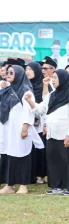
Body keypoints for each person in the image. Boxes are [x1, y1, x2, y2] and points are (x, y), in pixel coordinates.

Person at [26, 69, 69, 195]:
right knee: (53, 161)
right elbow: (41, 109)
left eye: (56, 78)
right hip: (52, 134)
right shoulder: (52, 95)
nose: (53, 80)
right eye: (53, 78)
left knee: (67, 161)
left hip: (65, 134)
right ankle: (56, 186)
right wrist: (30, 101)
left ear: (63, 79)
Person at [0, 65, 43, 195]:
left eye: (11, 72)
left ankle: (23, 185)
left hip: (21, 130)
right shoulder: (7, 90)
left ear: (18, 74)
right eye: (7, 72)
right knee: (9, 155)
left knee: (22, 156)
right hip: (8, 129)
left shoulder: (26, 91)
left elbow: (28, 112)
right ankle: (9, 185)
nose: (8, 74)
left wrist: (25, 128)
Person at [26, 62, 47, 185]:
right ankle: (30, 174)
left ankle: (41, 175)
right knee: (29, 148)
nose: (27, 72)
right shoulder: (25, 86)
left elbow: (46, 105)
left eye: (30, 69)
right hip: (28, 122)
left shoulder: (43, 86)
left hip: (40, 122)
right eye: (26, 69)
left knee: (40, 148)